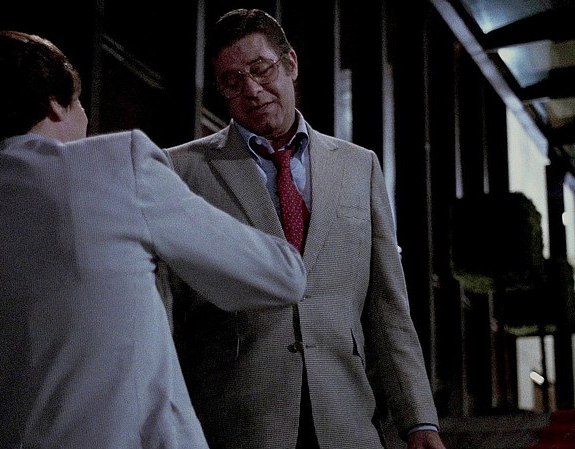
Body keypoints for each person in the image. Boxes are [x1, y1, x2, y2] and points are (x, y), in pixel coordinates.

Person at [0, 30, 307, 449]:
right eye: (79, 103)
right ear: (54, 103)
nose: (85, 119)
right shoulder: (114, 167)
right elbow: (283, 276)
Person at [164, 8, 447, 449]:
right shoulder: (182, 170)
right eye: (232, 81)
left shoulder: (359, 167)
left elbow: (387, 307)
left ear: (290, 64)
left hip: (347, 420)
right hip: (238, 423)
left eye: (261, 69)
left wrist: (419, 421)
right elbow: (166, 310)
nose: (252, 90)